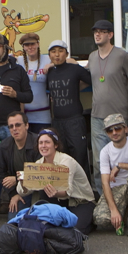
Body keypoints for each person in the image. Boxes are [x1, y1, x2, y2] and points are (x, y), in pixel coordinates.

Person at [17, 129, 95, 234]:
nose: (43, 146)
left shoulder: (66, 161)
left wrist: (56, 193)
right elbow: (23, 191)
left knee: (74, 230)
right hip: (57, 202)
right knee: (44, 228)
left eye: (47, 142)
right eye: (41, 143)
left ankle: (90, 220)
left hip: (79, 201)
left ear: (56, 145)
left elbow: (68, 191)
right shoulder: (38, 164)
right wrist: (23, 181)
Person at [87, 20, 128, 195]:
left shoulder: (122, 55)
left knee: (121, 159)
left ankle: (124, 199)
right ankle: (104, 199)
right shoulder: (91, 56)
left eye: (101, 31)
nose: (97, 34)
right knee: (99, 161)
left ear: (110, 34)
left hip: (120, 116)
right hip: (97, 116)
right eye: (95, 32)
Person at [92, 114, 128, 237]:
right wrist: (113, 210)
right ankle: (123, 211)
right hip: (118, 188)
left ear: (125, 129)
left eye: (117, 128)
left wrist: (120, 166)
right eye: (110, 130)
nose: (114, 132)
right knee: (101, 218)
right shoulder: (105, 151)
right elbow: (105, 183)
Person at [46, 40, 92, 179]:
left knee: (80, 157)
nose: (57, 55)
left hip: (75, 120)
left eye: (60, 51)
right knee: (61, 159)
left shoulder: (75, 69)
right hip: (58, 122)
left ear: (66, 53)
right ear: (49, 55)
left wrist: (76, 88)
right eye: (53, 52)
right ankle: (65, 194)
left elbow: (93, 81)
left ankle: (84, 195)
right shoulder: (50, 73)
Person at [0, 111, 41, 220]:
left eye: (18, 125)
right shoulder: (4, 146)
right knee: (14, 222)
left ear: (27, 125)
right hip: (19, 191)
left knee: (38, 221)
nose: (14, 129)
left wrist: (17, 179)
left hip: (39, 189)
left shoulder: (38, 143)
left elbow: (41, 171)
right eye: (11, 126)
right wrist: (13, 194)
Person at [16, 33, 51, 133]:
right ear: (23, 47)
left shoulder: (47, 59)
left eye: (33, 44)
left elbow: (70, 61)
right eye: (27, 45)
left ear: (38, 44)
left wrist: (52, 65)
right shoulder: (18, 61)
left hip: (43, 114)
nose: (30, 47)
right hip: (25, 115)